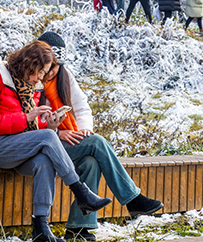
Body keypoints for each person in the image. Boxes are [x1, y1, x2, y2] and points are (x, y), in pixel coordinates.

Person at [0, 41, 112, 242]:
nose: (40, 78)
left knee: (44, 161)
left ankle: (41, 229)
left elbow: (32, 130)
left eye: (43, 73)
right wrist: (28, 118)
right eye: (39, 72)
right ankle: (81, 192)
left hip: (18, 146)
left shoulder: (32, 88)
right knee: (48, 138)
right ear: (28, 63)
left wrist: (52, 125)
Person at [35, 32, 164, 240]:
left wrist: (84, 128)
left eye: (55, 68)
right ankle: (133, 199)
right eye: (48, 67)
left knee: (90, 162)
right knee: (97, 143)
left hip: (64, 141)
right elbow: (29, 122)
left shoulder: (65, 78)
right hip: (44, 145)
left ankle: (78, 228)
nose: (50, 73)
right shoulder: (32, 80)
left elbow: (82, 107)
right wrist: (58, 132)